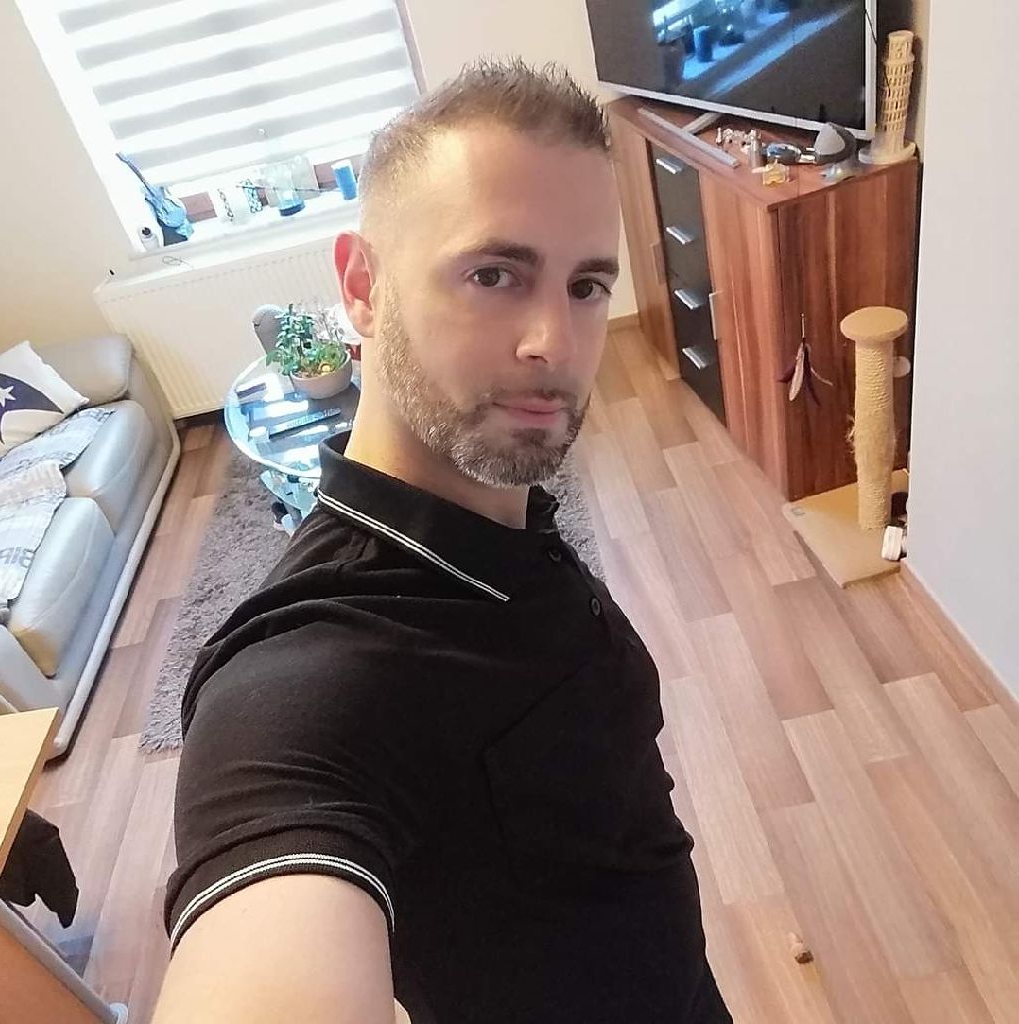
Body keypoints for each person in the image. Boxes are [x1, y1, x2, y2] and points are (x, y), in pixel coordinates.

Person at [152, 60, 732, 1024]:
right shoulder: (306, 684)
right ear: (362, 287)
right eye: (493, 274)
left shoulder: (498, 525)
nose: (554, 341)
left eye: (587, 285)